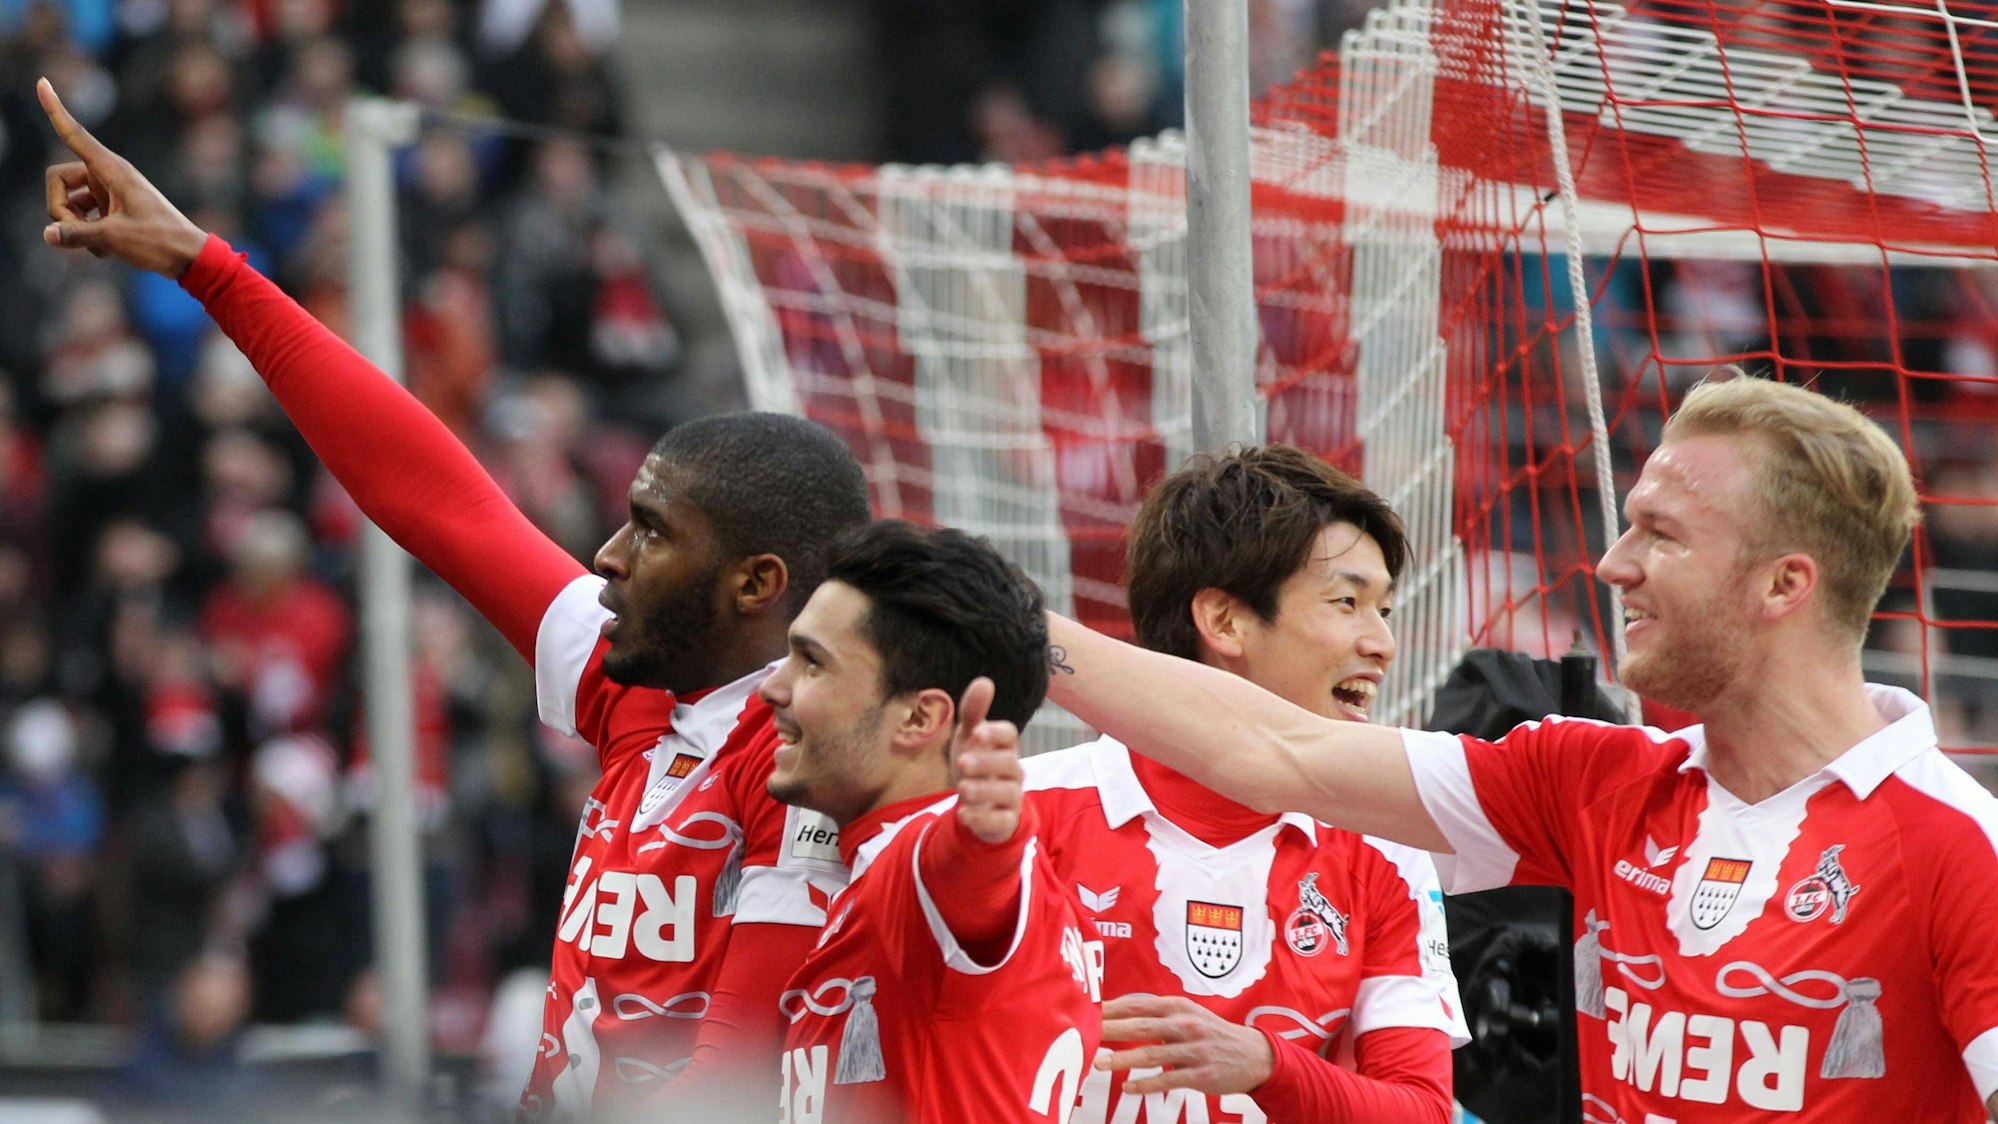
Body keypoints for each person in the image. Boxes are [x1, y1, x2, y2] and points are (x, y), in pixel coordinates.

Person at [36, 78, 873, 1120]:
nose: (608, 555)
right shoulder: (636, 683)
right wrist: (206, 266)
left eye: (653, 533)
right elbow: (436, 497)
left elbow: (733, 1071)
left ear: (757, 584)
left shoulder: (808, 758)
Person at [1040, 375, 1998, 1121]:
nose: (1614, 563)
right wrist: (988, 619)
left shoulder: (1957, 847)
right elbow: (1271, 749)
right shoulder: (1593, 778)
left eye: (1659, 535)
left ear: (1784, 584)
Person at [1021, 446, 1467, 1123]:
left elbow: (1423, 1111)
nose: (1382, 643)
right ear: (1225, 622)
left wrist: (1268, 1066)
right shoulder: (1027, 815)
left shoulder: (1385, 847)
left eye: (1384, 610)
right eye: (1347, 602)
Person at [758, 519, 1101, 1122]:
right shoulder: (887, 869)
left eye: (812, 663)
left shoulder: (922, 864)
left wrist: (986, 837)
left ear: (919, 719)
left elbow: (962, 875)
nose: (773, 687)